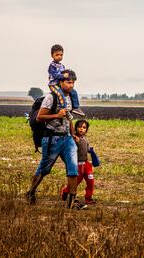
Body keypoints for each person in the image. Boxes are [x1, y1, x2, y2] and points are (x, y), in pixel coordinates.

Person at [26, 69, 85, 209]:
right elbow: (40, 117)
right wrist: (57, 115)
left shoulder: (70, 97)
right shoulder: (50, 97)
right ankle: (31, 191)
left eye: (73, 83)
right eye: (69, 82)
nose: (71, 85)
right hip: (52, 139)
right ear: (60, 82)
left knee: (73, 169)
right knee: (44, 169)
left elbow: (69, 119)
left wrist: (73, 134)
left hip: (67, 139)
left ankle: (71, 202)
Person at [60, 119, 98, 205]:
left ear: (86, 130)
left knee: (90, 181)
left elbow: (87, 149)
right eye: (79, 127)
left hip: (86, 164)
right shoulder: (74, 139)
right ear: (75, 128)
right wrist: (75, 142)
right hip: (77, 165)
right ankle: (66, 191)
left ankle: (88, 198)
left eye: (84, 127)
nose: (81, 129)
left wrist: (92, 153)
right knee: (75, 182)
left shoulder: (86, 139)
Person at [48, 44, 85, 119]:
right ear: (52, 55)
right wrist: (63, 76)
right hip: (53, 84)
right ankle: (65, 111)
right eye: (57, 55)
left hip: (60, 84)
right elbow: (55, 75)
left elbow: (64, 74)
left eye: (61, 55)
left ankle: (76, 107)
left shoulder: (62, 66)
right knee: (61, 94)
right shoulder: (52, 66)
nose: (59, 56)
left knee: (73, 91)